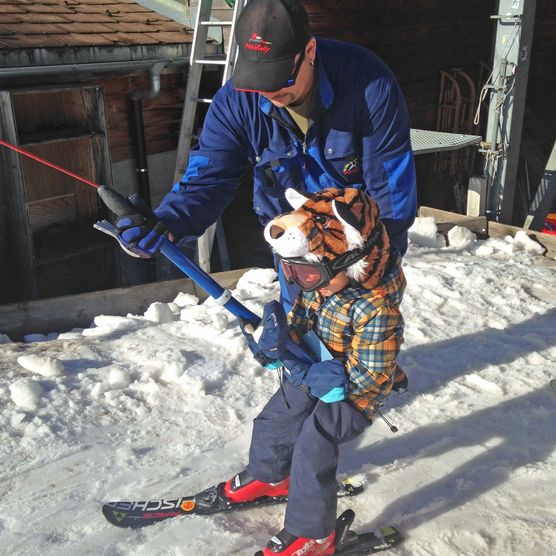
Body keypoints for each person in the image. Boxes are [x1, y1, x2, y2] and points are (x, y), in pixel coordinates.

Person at [114, 0, 417, 310]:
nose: (270, 93)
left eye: (280, 78)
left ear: (309, 51)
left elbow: (391, 196)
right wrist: (169, 221)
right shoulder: (234, 103)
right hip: (293, 250)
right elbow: (208, 178)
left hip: (363, 252)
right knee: (302, 348)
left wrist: (358, 267)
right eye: (258, 81)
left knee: (366, 348)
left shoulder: (368, 87)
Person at [223, 186, 406, 556]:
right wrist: (277, 343)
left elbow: (370, 376)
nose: (301, 282)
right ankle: (270, 475)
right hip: (314, 369)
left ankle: (314, 534)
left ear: (354, 260)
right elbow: (300, 323)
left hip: (352, 394)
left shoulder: (377, 309)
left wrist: (318, 376)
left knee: (313, 444)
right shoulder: (320, 282)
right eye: (291, 271)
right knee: (276, 418)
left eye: (306, 274)